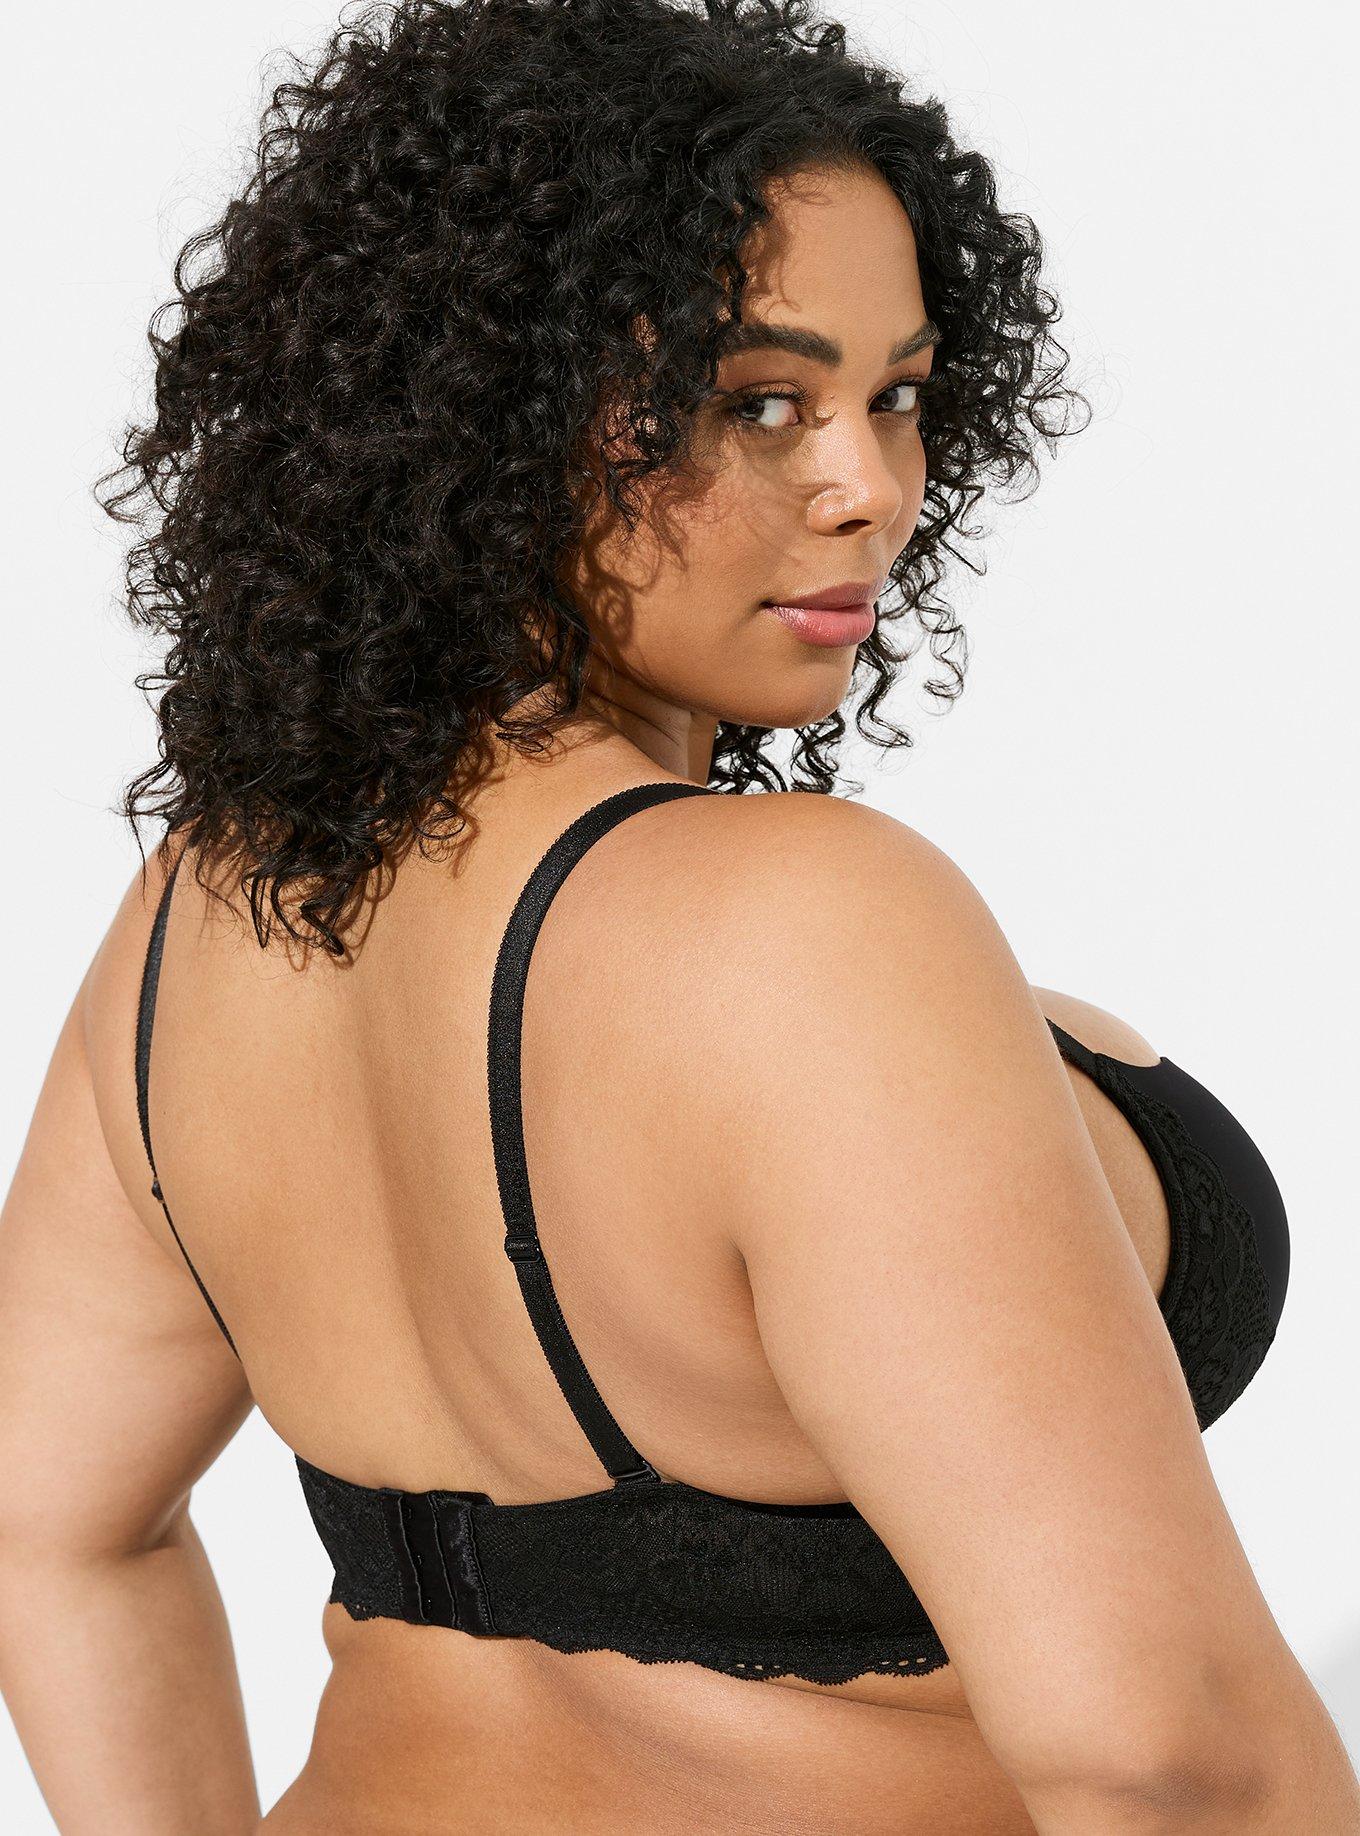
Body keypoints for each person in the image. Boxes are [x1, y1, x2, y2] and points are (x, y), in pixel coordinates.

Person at [1, 0, 1356, 1830]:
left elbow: (50, 1527)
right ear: (487, 415)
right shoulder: (806, 930)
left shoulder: (217, 902)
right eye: (758, 403)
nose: (869, 488)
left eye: (897, 394)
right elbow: (1171, 1755)